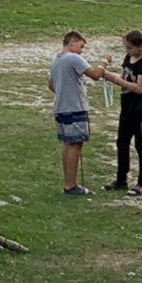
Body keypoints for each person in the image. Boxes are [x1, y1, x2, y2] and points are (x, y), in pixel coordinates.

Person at [103, 31, 142, 194]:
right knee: (122, 144)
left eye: (130, 48)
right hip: (126, 109)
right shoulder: (128, 59)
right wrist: (112, 76)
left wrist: (117, 80)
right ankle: (121, 179)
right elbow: (125, 77)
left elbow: (139, 88)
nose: (127, 51)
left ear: (140, 47)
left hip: (140, 111)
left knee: (141, 146)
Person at [48, 31, 94, 194]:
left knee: (68, 144)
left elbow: (51, 85)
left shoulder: (56, 60)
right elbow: (95, 74)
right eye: (81, 46)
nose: (82, 51)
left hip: (60, 107)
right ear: (72, 42)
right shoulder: (73, 58)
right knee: (75, 144)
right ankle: (71, 185)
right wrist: (105, 62)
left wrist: (64, 91)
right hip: (74, 107)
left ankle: (68, 182)